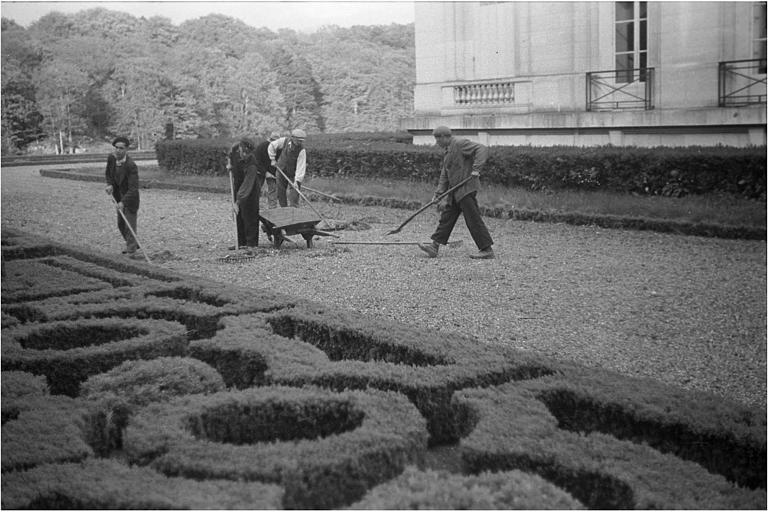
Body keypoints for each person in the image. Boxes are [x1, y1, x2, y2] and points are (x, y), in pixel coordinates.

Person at [418, 126, 495, 260]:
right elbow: (445, 175)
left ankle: (486, 249)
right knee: (447, 218)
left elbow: (481, 149)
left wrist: (476, 169)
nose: (437, 142)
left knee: (473, 219)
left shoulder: (460, 144)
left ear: (444, 137)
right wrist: (438, 194)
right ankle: (434, 247)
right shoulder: (448, 152)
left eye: (437, 139)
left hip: (466, 189)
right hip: (455, 192)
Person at [105, 136, 141, 258]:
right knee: (120, 224)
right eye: (116, 148)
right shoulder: (111, 158)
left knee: (129, 225)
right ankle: (133, 244)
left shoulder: (131, 165)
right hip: (118, 197)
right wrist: (109, 184)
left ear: (126, 150)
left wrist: (123, 202)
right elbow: (108, 174)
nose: (118, 150)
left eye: (121, 148)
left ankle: (131, 251)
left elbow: (133, 188)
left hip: (130, 199)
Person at [232, 137, 262, 248]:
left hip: (251, 191)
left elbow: (247, 185)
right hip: (239, 187)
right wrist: (230, 165)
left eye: (245, 152)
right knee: (239, 216)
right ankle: (241, 242)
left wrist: (238, 202)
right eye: (240, 151)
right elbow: (230, 155)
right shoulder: (237, 152)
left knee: (250, 216)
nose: (241, 154)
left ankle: (251, 244)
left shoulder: (252, 164)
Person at [268, 128, 307, 207]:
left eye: (301, 141)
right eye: (298, 140)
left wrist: (297, 181)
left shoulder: (301, 150)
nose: (300, 142)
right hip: (280, 171)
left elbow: (301, 167)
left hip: (293, 174)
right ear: (293, 138)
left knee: (294, 194)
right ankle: (284, 210)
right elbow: (271, 146)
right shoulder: (284, 141)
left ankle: (294, 211)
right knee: (281, 192)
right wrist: (272, 159)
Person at [226, 139, 247, 248]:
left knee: (243, 214)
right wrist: (229, 166)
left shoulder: (244, 158)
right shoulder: (233, 156)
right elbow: (233, 169)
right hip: (237, 185)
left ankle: (243, 242)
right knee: (237, 214)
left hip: (243, 186)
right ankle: (240, 241)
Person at [261, 131, 282, 208]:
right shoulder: (263, 147)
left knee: (276, 189)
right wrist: (266, 173)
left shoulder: (281, 148)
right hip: (262, 170)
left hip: (276, 171)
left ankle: (275, 208)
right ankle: (271, 208)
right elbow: (259, 161)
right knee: (270, 188)